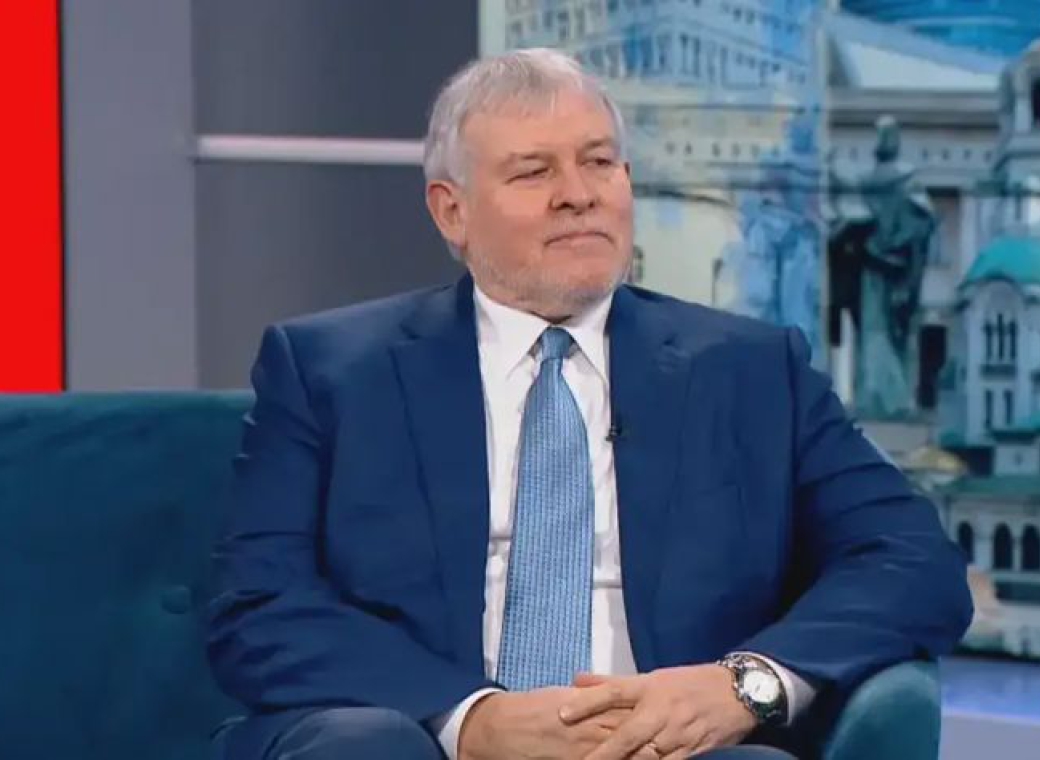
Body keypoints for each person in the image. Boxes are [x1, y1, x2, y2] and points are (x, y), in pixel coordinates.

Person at [206, 48, 972, 760]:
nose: (578, 194)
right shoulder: (332, 372)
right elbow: (260, 605)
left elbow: (913, 562)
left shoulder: (753, 370)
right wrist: (472, 719)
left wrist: (744, 684)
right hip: (426, 741)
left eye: (599, 162)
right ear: (451, 211)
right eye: (533, 172)